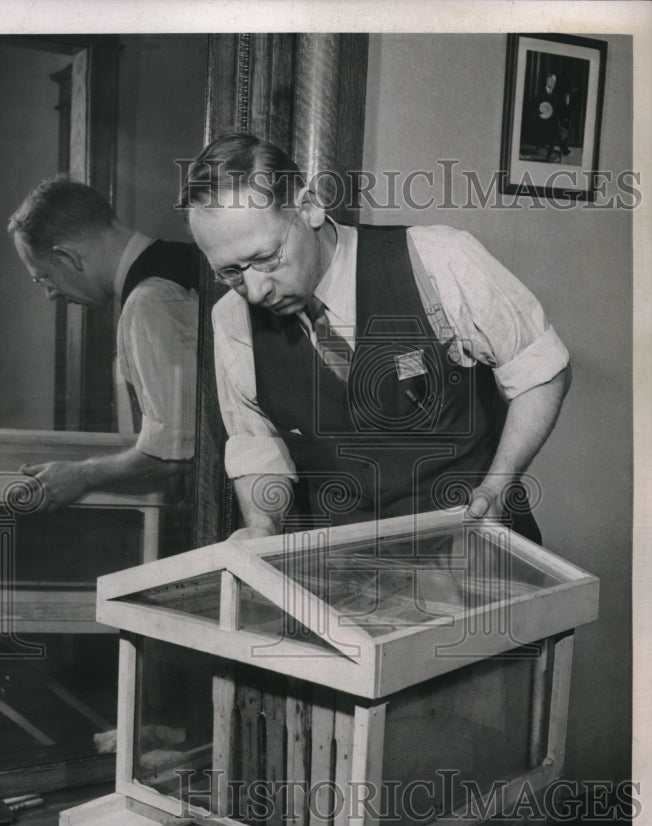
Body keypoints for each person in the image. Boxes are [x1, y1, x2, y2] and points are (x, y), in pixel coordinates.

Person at [181, 133, 571, 544]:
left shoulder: (437, 257)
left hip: (480, 560)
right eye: (231, 272)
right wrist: (261, 526)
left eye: (266, 258)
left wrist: (497, 487)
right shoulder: (232, 321)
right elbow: (256, 445)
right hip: (351, 577)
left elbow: (539, 370)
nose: (256, 290)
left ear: (310, 207)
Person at [8, 176, 199, 511]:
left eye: (43, 278)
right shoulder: (180, 261)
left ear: (67, 256)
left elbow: (177, 452)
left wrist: (83, 475)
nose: (50, 294)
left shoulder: (148, 302)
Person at [532, 72, 572, 158]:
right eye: (552, 81)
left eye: (555, 82)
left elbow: (561, 108)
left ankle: (552, 151)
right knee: (556, 126)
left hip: (552, 120)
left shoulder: (556, 94)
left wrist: (567, 102)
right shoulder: (540, 92)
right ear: (547, 81)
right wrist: (541, 111)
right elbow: (535, 107)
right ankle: (563, 148)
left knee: (556, 124)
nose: (554, 83)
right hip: (541, 120)